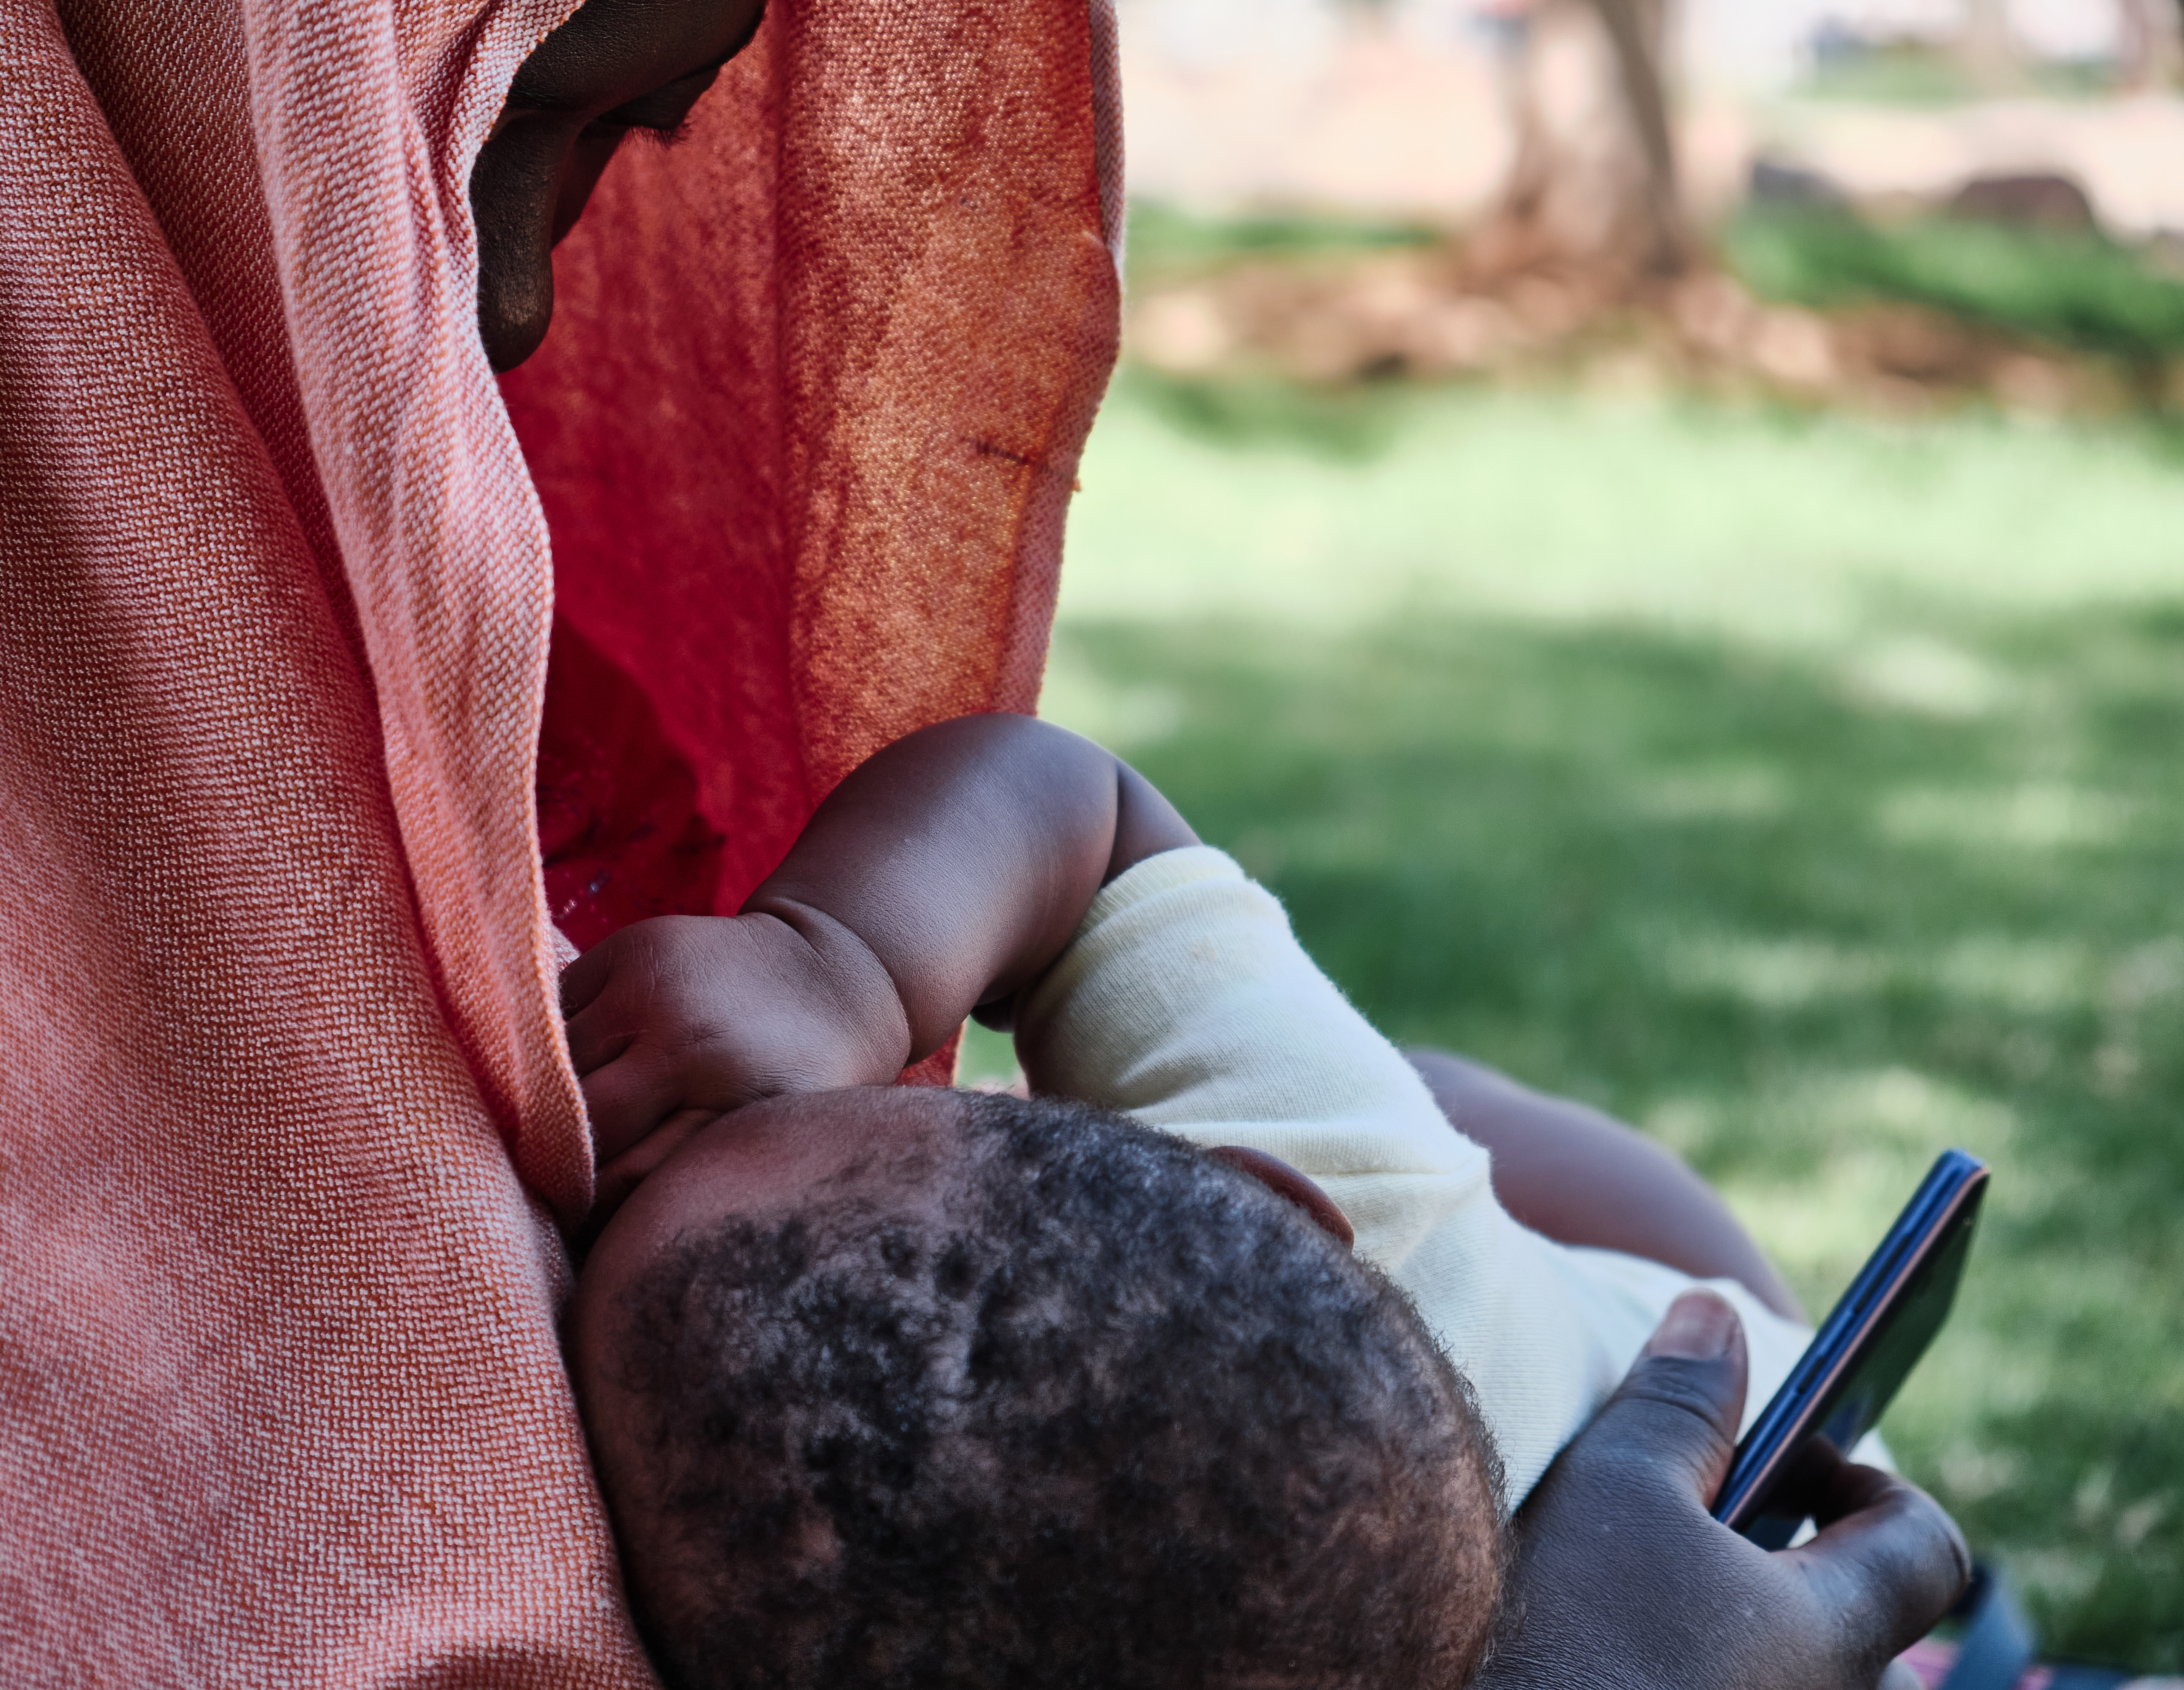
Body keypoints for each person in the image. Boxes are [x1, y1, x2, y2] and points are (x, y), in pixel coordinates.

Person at [0, 0, 1961, 1681]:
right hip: (1776, 1519)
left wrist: (847, 960)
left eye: (609, 136)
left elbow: (1058, 826)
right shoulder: (1264, 1273)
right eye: (511, 113)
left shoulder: (481, 712)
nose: (529, 302)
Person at [559, 711, 1963, 1688]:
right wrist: (842, 974)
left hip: (1755, 1538)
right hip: (1754, 1396)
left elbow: (1076, 811)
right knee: (1438, 1103)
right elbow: (1072, 803)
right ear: (1283, 1203)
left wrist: (842, 962)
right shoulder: (1359, 1179)